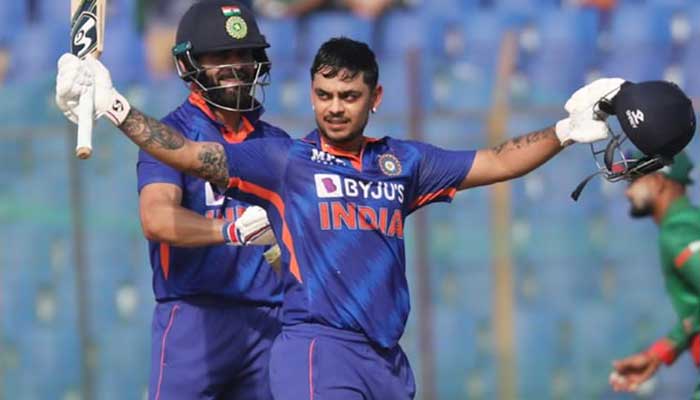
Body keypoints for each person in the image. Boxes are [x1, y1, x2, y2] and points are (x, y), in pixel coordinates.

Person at [55, 37, 693, 399]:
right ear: (312, 95)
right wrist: (114, 105)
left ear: (374, 98)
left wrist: (563, 130)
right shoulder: (285, 161)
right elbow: (190, 153)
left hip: (386, 360)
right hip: (314, 350)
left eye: (350, 97)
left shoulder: (403, 163)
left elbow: (496, 161)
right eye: (325, 96)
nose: (335, 109)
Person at [68, 1, 289, 399]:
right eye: (220, 56)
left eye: (243, 54)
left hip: (268, 322)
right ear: (189, 66)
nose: (235, 66)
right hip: (193, 318)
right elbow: (156, 218)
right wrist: (231, 230)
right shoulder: (169, 136)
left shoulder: (277, 143)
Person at [608, 152, 700, 398]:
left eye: (633, 181)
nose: (628, 193)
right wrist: (658, 354)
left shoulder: (679, 230)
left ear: (659, 181)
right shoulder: (687, 224)